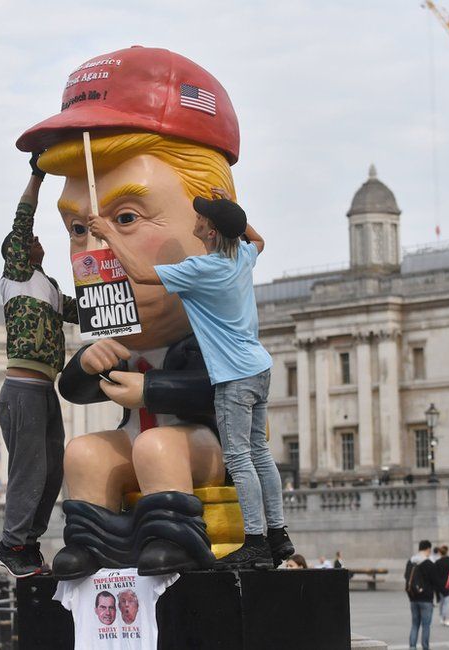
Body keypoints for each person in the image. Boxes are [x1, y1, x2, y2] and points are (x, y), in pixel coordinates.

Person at [21, 46, 283, 580]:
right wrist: (89, 362)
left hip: (199, 446)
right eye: (78, 229)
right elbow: (75, 390)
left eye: (125, 216)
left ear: (204, 218)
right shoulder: (126, 330)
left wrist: (151, 393)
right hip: (137, 439)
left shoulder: (206, 321)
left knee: (162, 444)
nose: (91, 252)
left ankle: (174, 537)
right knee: (87, 452)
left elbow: (211, 391)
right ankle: (92, 542)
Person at [89, 188, 292, 572]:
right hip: (259, 367)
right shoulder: (242, 256)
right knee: (261, 455)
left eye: (202, 217)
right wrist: (232, 212)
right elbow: (258, 240)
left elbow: (141, 274)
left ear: (211, 233)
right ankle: (279, 535)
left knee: (239, 458)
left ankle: (255, 543)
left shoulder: (205, 269)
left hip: (233, 375)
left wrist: (108, 233)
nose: (195, 220)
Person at [0, 155, 79, 578]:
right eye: (29, 240)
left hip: (45, 390)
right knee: (30, 470)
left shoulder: (50, 288)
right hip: (23, 389)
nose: (37, 240)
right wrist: (37, 175)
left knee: (52, 470)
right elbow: (23, 218)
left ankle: (28, 543)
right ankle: (10, 544)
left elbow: (88, 313)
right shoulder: (18, 275)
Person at [405, 540, 442, 650]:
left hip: (413, 597)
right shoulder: (429, 563)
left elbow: (406, 577)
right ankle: (425, 647)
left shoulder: (410, 562)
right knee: (426, 625)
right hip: (426, 598)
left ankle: (412, 646)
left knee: (415, 624)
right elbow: (436, 581)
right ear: (428, 549)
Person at [434, 545, 449, 626]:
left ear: (440, 553)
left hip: (440, 585)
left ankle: (442, 618)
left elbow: (435, 575)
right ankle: (447, 618)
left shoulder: (437, 562)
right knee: (447, 602)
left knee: (442, 602)